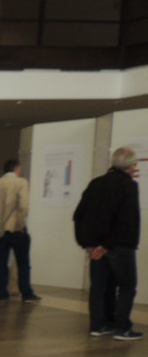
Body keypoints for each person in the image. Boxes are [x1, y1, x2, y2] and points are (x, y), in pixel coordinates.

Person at [73, 146, 142, 340]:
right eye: (134, 164)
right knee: (127, 286)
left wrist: (88, 244)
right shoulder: (129, 186)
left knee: (100, 286)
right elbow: (126, 221)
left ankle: (98, 325)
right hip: (119, 246)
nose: (135, 168)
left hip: (95, 247)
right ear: (130, 166)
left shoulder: (96, 183)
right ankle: (122, 328)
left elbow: (79, 215)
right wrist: (107, 246)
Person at [0, 160, 40, 302]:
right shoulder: (21, 182)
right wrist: (20, 224)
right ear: (18, 169)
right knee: (23, 262)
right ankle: (26, 293)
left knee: (1, 262)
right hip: (15, 228)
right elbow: (24, 206)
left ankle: (1, 292)